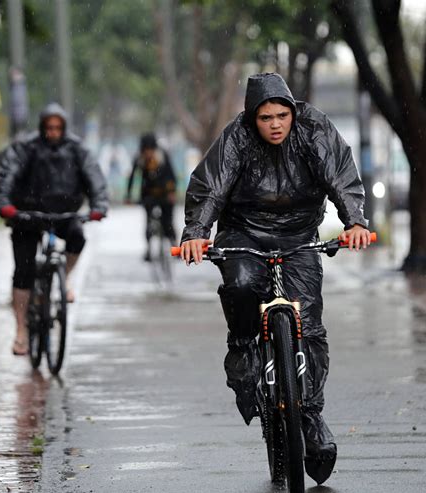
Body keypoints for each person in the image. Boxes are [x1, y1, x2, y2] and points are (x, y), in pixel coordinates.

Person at [179, 73, 371, 465]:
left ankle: (312, 418)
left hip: (299, 234)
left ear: (292, 111)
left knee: (310, 325)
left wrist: (355, 223)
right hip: (243, 232)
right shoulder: (237, 137)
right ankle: (244, 350)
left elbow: (340, 172)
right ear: (253, 118)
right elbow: (211, 185)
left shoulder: (313, 126)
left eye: (282, 115)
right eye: (266, 118)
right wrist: (196, 232)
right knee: (243, 283)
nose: (276, 124)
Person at [0, 103, 109, 356]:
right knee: (23, 271)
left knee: (78, 238)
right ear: (42, 127)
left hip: (64, 215)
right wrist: (5, 205)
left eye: (58, 127)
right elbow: (8, 175)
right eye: (49, 127)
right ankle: (21, 331)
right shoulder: (27, 148)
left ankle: (63, 277)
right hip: (27, 215)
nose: (54, 132)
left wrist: (99, 206)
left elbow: (94, 177)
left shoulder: (77, 149)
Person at [126, 133, 177, 260]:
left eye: (150, 150)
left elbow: (171, 175)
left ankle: (174, 246)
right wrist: (128, 195)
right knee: (148, 223)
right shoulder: (139, 159)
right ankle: (148, 250)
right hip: (148, 194)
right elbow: (132, 177)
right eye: (145, 150)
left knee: (168, 223)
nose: (148, 153)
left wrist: (171, 192)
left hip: (165, 193)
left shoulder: (162, 157)